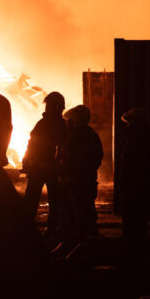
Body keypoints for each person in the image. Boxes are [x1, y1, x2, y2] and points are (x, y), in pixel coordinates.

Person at [22, 92, 67, 233]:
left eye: (49, 105)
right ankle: (31, 226)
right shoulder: (43, 124)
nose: (47, 107)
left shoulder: (60, 125)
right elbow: (31, 144)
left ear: (56, 106)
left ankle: (51, 227)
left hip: (49, 168)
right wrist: (26, 160)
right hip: (39, 167)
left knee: (53, 199)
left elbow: (61, 148)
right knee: (34, 198)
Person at [59, 104, 103, 243]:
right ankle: (87, 237)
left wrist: (68, 171)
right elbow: (97, 157)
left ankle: (82, 240)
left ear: (75, 120)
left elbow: (68, 158)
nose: (67, 123)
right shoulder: (90, 135)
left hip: (77, 179)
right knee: (86, 207)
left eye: (70, 120)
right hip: (86, 178)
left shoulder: (75, 137)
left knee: (78, 210)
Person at [114, 107, 150, 242]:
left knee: (132, 214)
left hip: (134, 185)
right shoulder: (144, 138)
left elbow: (132, 164)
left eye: (128, 122)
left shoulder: (136, 140)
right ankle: (136, 240)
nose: (126, 125)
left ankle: (132, 242)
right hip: (139, 184)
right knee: (138, 216)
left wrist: (125, 182)